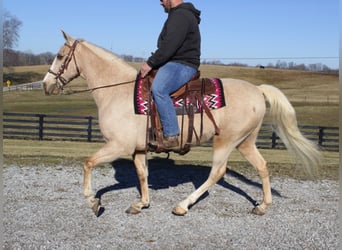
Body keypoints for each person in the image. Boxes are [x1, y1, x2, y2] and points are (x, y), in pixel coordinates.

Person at [140, 0, 201, 149]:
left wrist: (150, 63)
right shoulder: (178, 15)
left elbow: (169, 46)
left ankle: (171, 135)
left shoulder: (181, 15)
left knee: (159, 89)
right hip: (174, 62)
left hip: (182, 64)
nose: (160, 3)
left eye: (162, 0)